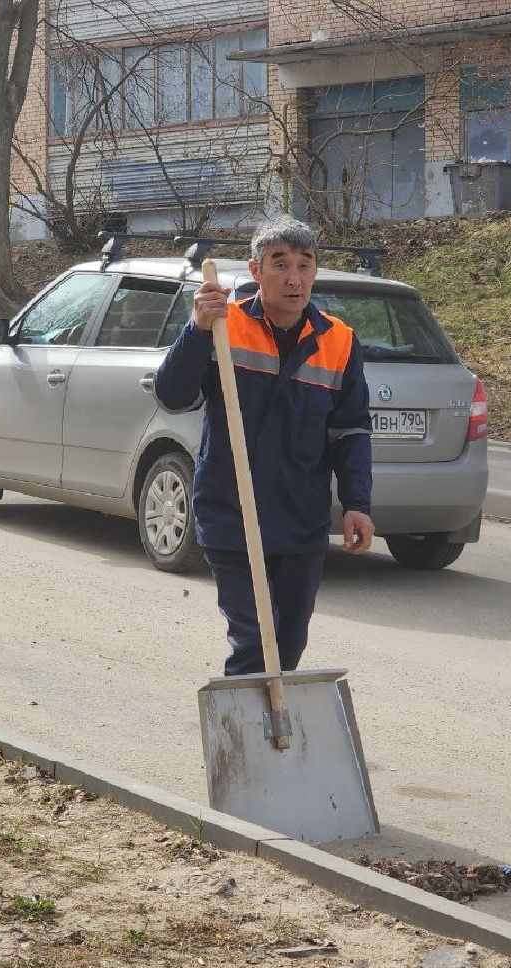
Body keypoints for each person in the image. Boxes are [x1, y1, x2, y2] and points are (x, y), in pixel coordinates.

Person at [155, 217, 374, 676]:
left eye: (304, 265)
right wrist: (196, 329)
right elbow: (172, 394)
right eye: (280, 265)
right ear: (256, 271)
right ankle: (245, 742)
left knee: (288, 644)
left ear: (315, 271)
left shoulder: (338, 341)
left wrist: (357, 502)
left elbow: (350, 431)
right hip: (232, 512)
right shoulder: (222, 326)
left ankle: (269, 736)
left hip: (300, 518)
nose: (294, 278)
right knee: (256, 642)